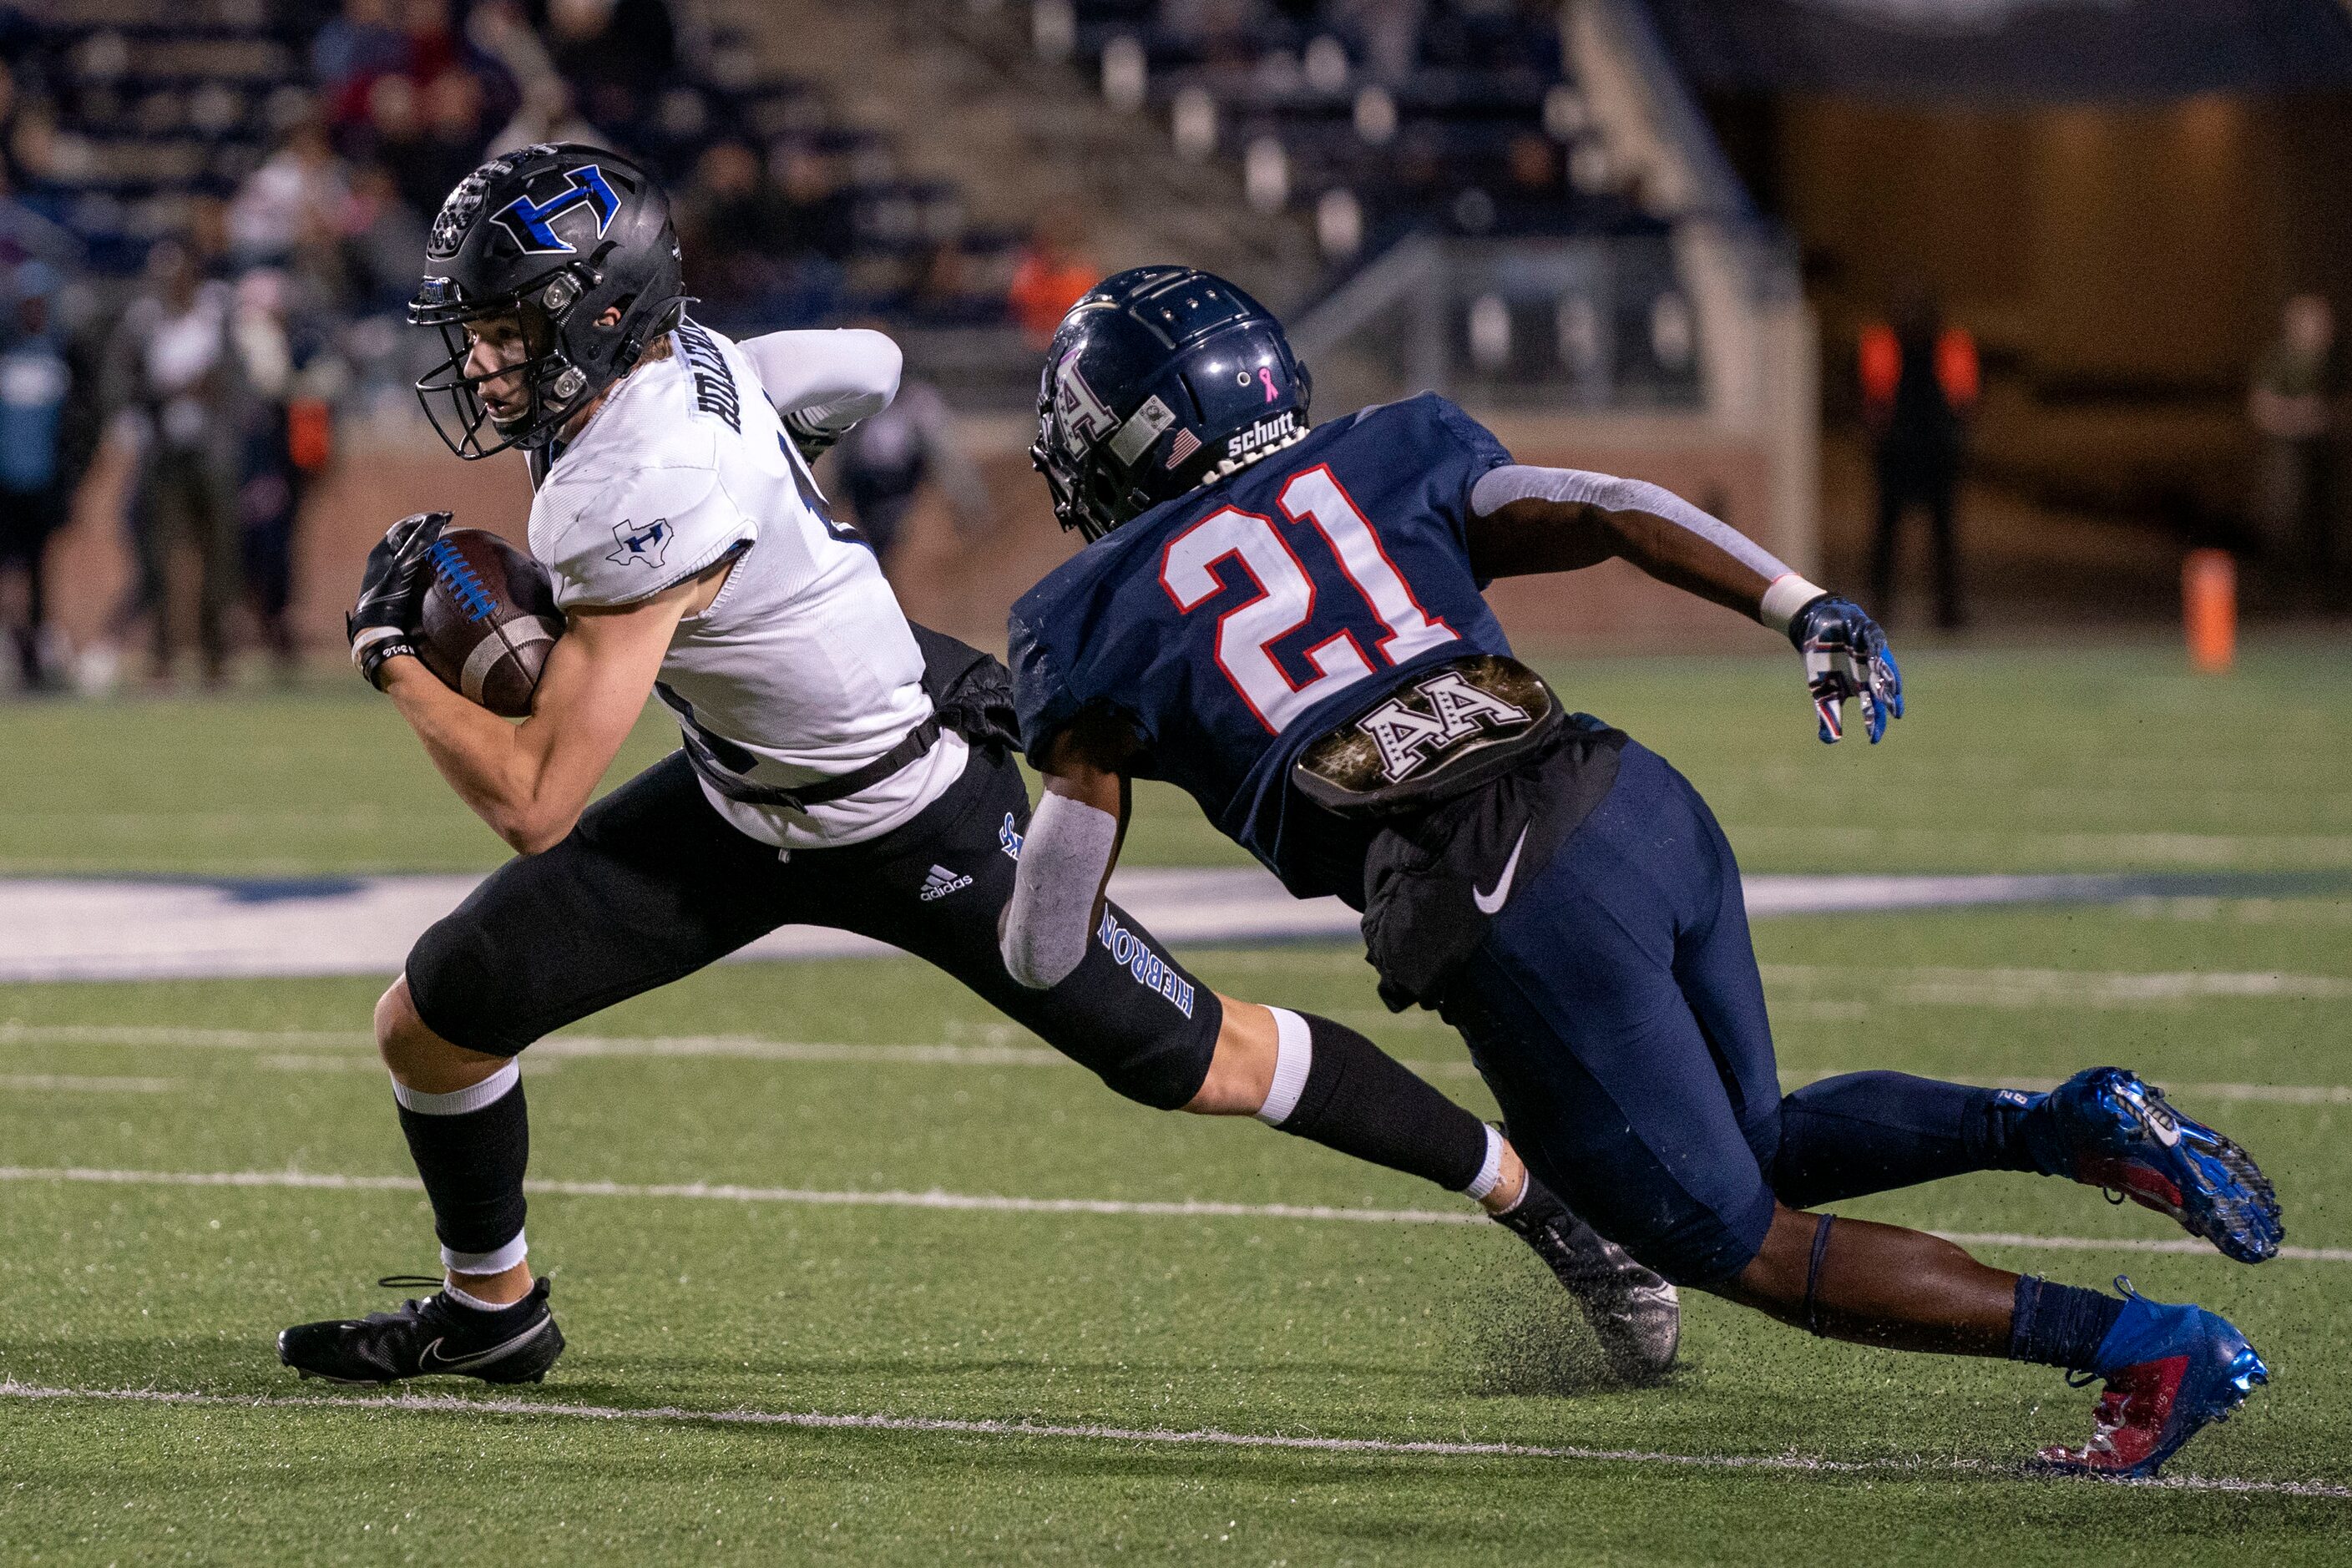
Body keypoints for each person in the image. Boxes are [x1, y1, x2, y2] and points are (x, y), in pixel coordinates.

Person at [276, 145, 1676, 1388]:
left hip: (907, 802)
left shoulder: (626, 485)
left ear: (596, 318)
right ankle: (493, 1312)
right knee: (435, 1014)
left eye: (508, 329)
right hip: (739, 794)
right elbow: (865, 364)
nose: (484, 362)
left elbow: (535, 798)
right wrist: (774, 513)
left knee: (1193, 1056)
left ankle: (1536, 1187)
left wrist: (390, 656)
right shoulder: (681, 374)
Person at [1000, 266, 2284, 1480]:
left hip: (1514, 909)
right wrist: (1801, 605)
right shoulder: (1391, 448)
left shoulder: (1093, 619)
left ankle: (2142, 1347)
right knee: (1756, 1143)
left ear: (1135, 438)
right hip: (1635, 799)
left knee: (1742, 1246)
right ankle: (2066, 1123)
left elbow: (1046, 947)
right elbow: (1613, 504)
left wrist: (1029, 744)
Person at [106, 240, 243, 686]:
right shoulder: (144, 323)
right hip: (163, 454)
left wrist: (213, 391)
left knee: (218, 556)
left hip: (212, 454)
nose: (169, 281)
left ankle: (214, 657)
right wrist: (163, 394)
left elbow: (240, 381)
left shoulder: (215, 316)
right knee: (160, 556)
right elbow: (121, 383)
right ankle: (163, 655)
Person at [1859, 292, 1976, 630]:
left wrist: (1958, 444)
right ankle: (1881, 609)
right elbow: (1871, 400)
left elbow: (1965, 400)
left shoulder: (1952, 346)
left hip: (1937, 452)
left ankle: (1949, 613)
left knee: (1943, 536)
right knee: (1886, 535)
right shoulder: (1881, 345)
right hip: (1896, 454)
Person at [0, 260, 73, 690]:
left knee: (43, 567)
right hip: (7, 485)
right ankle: (19, 644)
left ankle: (40, 649)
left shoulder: (61, 355)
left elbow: (75, 426)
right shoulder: (7, 355)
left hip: (43, 484)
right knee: (11, 571)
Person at [2248, 293, 2339, 579]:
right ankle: (2284, 577)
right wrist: (2299, 415)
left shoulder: (2335, 365)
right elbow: (2262, 407)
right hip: (2287, 452)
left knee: (2325, 520)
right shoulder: (2279, 361)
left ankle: (2322, 578)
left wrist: (2324, 414)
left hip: (2327, 454)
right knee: (2285, 514)